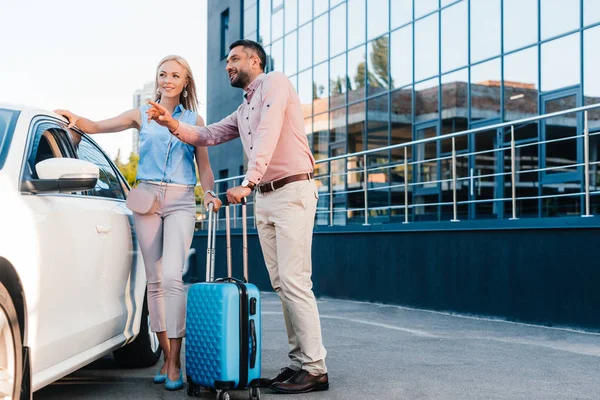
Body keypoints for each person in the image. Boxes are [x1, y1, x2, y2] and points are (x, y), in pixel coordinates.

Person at [147, 40, 329, 394]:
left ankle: (316, 368)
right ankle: (299, 363)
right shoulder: (244, 108)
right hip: (266, 198)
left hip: (291, 191)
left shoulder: (275, 83)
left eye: (233, 59)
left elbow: (268, 132)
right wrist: (171, 123)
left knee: (295, 282)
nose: (227, 65)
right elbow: (208, 134)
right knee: (281, 284)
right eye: (227, 60)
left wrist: (247, 182)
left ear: (254, 60)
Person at [55, 54, 222, 391]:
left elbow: (203, 164)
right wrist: (74, 118)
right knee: (156, 281)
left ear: (186, 82)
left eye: (175, 75)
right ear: (157, 79)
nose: (168, 80)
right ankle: (167, 357)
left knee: (174, 276)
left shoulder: (194, 118)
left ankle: (177, 358)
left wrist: (209, 192)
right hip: (146, 199)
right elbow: (98, 126)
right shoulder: (139, 115)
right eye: (163, 74)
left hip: (180, 200)